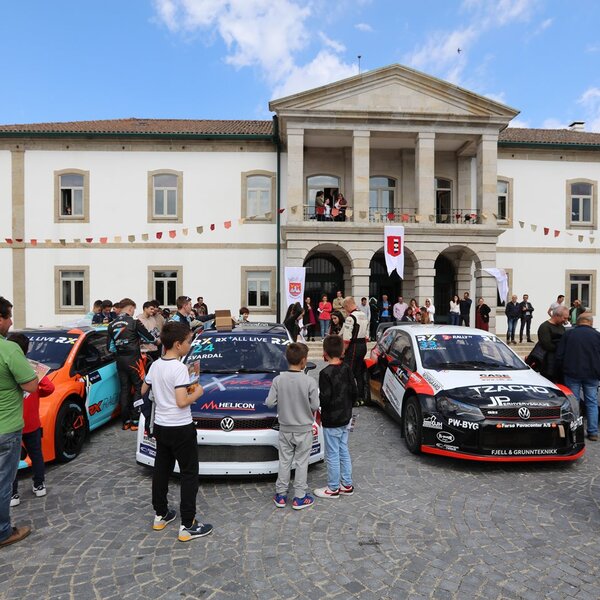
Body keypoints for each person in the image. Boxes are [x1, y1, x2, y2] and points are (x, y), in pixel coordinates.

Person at [141, 322, 213, 541]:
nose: (190, 346)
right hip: (181, 427)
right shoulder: (180, 368)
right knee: (189, 474)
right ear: (178, 344)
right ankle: (188, 524)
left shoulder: (156, 365)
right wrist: (197, 392)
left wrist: (161, 393)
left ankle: (160, 514)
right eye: (189, 342)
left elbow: (144, 388)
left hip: (161, 426)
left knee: (161, 470)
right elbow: (182, 402)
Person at [0, 297, 38, 548]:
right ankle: (3, 531)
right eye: (8, 316)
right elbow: (31, 385)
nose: (12, 321)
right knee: (3, 481)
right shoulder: (9, 349)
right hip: (6, 428)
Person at [266, 342, 319, 509]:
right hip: (303, 428)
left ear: (286, 359)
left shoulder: (278, 380)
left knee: (284, 461)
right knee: (302, 462)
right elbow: (315, 405)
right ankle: (299, 497)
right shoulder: (309, 381)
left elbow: (269, 402)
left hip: (285, 428)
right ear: (304, 361)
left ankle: (281, 495)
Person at [7, 333, 54, 507]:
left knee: (11, 460)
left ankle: (13, 494)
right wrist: (37, 389)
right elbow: (49, 388)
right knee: (36, 454)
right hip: (32, 422)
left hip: (12, 422)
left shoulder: (6, 366)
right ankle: (39, 484)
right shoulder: (33, 367)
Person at [314, 335, 356, 499]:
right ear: (342, 351)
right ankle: (346, 484)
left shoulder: (325, 373)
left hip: (332, 419)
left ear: (325, 352)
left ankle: (332, 488)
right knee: (343, 449)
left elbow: (325, 398)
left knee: (332, 454)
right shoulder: (347, 368)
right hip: (346, 416)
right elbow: (354, 391)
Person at [107, 298, 156, 431]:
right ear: (130, 308)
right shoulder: (134, 322)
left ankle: (125, 421)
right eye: (134, 309)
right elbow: (150, 339)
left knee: (124, 389)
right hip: (134, 360)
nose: (134, 312)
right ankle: (135, 420)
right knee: (139, 387)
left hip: (120, 360)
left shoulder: (111, 325)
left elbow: (110, 348)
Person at [555, 313, 600, 441]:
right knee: (592, 402)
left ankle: (574, 431)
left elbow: (560, 355)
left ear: (578, 322)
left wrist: (561, 370)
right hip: (592, 374)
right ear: (591, 323)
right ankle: (593, 432)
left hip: (572, 372)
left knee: (573, 403)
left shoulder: (569, 334)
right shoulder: (597, 336)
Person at [341, 297, 370, 406]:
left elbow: (347, 339)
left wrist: (343, 351)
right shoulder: (363, 315)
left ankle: (351, 398)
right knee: (359, 372)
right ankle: (361, 396)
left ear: (348, 306)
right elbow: (367, 336)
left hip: (354, 346)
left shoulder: (350, 318)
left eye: (344, 308)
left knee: (349, 372)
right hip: (363, 346)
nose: (345, 310)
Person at [537, 306, 569, 382]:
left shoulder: (561, 327)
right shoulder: (545, 327)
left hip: (559, 363)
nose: (565, 321)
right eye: (564, 318)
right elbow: (547, 345)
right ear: (557, 315)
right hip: (548, 364)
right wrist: (562, 347)